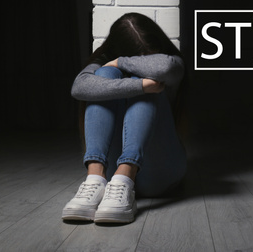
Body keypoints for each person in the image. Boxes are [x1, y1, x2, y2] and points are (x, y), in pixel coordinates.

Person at [62, 13, 187, 223]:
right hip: (110, 176)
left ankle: (126, 176)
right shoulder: (103, 63)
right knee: (102, 77)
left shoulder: (173, 64)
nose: (144, 63)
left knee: (149, 84)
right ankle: (95, 178)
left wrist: (122, 63)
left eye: (148, 58)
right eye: (137, 58)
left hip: (160, 171)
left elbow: (162, 68)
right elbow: (79, 87)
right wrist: (138, 85)